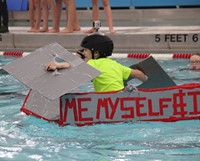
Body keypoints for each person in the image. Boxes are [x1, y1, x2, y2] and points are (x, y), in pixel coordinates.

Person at [45, 34, 147, 92]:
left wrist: (58, 65)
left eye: (86, 50)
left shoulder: (93, 63)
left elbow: (74, 65)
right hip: (121, 96)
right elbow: (139, 74)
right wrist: (147, 81)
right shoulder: (115, 64)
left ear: (96, 53)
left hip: (105, 100)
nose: (84, 53)